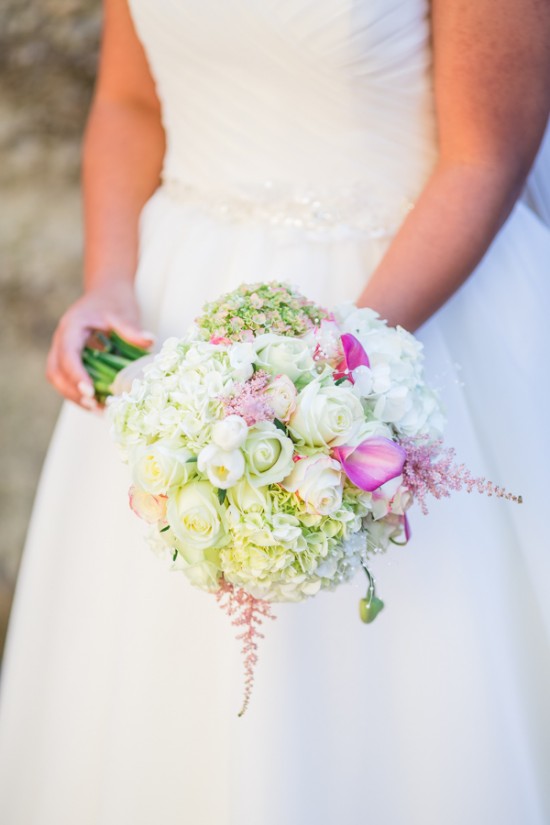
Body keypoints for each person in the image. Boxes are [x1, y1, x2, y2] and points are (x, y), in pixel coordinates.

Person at [1, 1, 549, 823]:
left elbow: (486, 154)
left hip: (407, 306)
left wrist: (332, 378)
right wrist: (110, 278)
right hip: (182, 313)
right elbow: (130, 102)